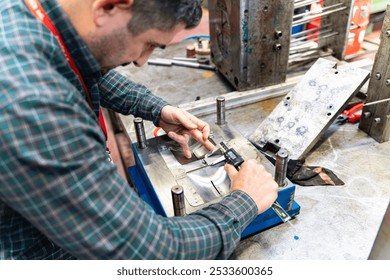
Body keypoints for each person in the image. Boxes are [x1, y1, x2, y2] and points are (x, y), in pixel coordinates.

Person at [0, 0, 278, 259]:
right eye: (148, 43)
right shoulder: (32, 104)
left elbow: (77, 66)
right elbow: (149, 252)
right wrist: (244, 202)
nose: (141, 61)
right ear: (109, 5)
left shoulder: (34, 17)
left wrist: (154, 108)